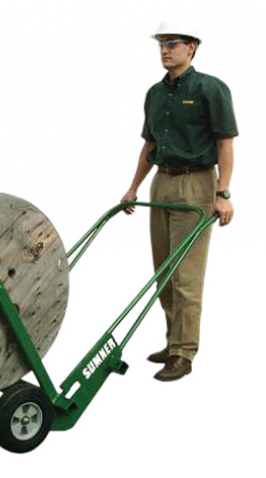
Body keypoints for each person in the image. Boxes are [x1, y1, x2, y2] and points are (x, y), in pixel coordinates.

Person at [121, 20, 238, 381]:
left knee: (186, 274)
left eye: (172, 44)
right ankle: (173, 340)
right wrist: (133, 188)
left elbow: (225, 144)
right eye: (161, 44)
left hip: (196, 184)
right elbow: (150, 144)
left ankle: (184, 353)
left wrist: (223, 193)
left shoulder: (210, 89)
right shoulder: (155, 94)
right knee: (164, 272)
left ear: (192, 47)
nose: (165, 50)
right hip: (162, 183)